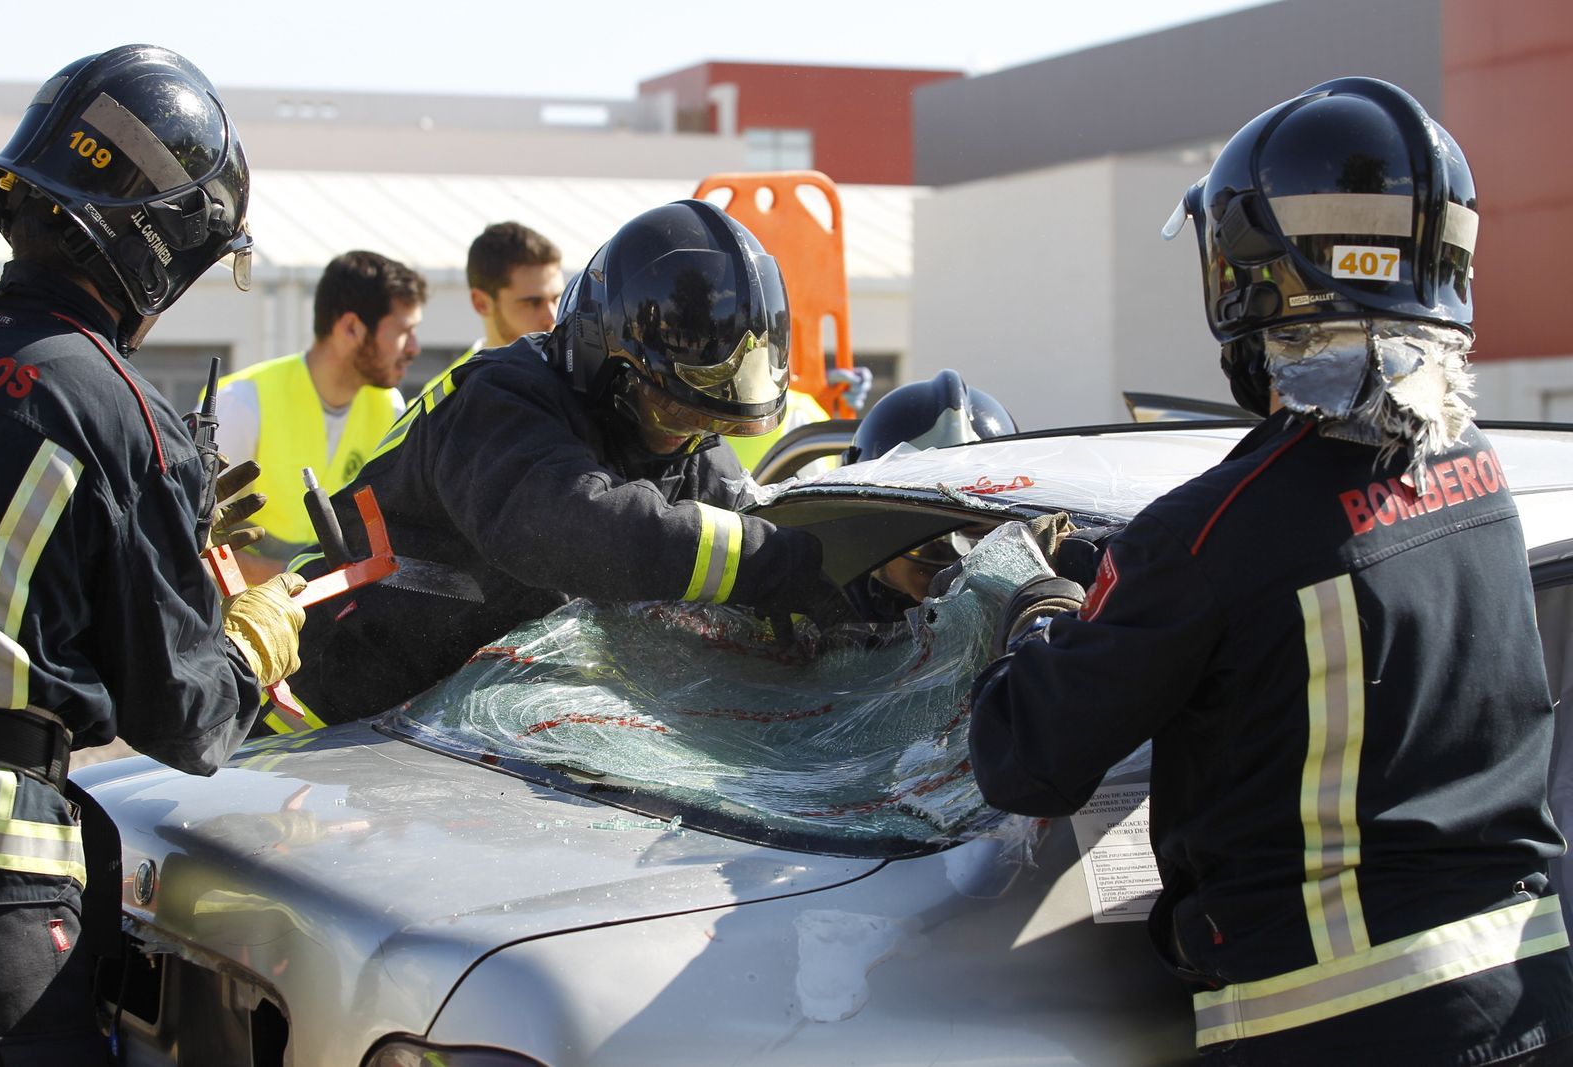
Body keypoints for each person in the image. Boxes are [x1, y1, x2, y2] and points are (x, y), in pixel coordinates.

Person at [970, 76, 1573, 1065]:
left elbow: (1024, 757)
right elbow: (1310, 575)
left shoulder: (1210, 536)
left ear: (1247, 282)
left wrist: (1039, 598)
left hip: (1339, 1029)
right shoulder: (1476, 473)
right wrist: (1121, 570)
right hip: (1528, 1000)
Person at [0, 45, 307, 1064]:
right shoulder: (123, 415)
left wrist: (114, 549)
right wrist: (254, 634)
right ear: (159, 247)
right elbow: (183, 714)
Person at [279, 199, 855, 732]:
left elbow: (753, 522)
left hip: (449, 739)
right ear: (604, 364)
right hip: (316, 709)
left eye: (709, 422)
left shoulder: (684, 442)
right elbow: (572, 526)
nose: (687, 436)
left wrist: (855, 579)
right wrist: (768, 560)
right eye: (670, 409)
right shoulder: (500, 399)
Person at [213, 250, 426, 583]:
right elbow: (188, 539)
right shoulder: (242, 402)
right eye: (403, 331)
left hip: (328, 619)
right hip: (240, 625)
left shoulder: (390, 407)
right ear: (351, 327)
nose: (414, 347)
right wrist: (295, 578)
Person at [839, 369, 1019, 619]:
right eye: (918, 516)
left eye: (976, 523)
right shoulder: (825, 605)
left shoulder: (1033, 613)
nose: (950, 553)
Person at [416, 220, 563, 397]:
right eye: (532, 303)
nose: (552, 316)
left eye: (556, 299)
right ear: (481, 303)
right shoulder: (443, 398)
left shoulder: (586, 381)